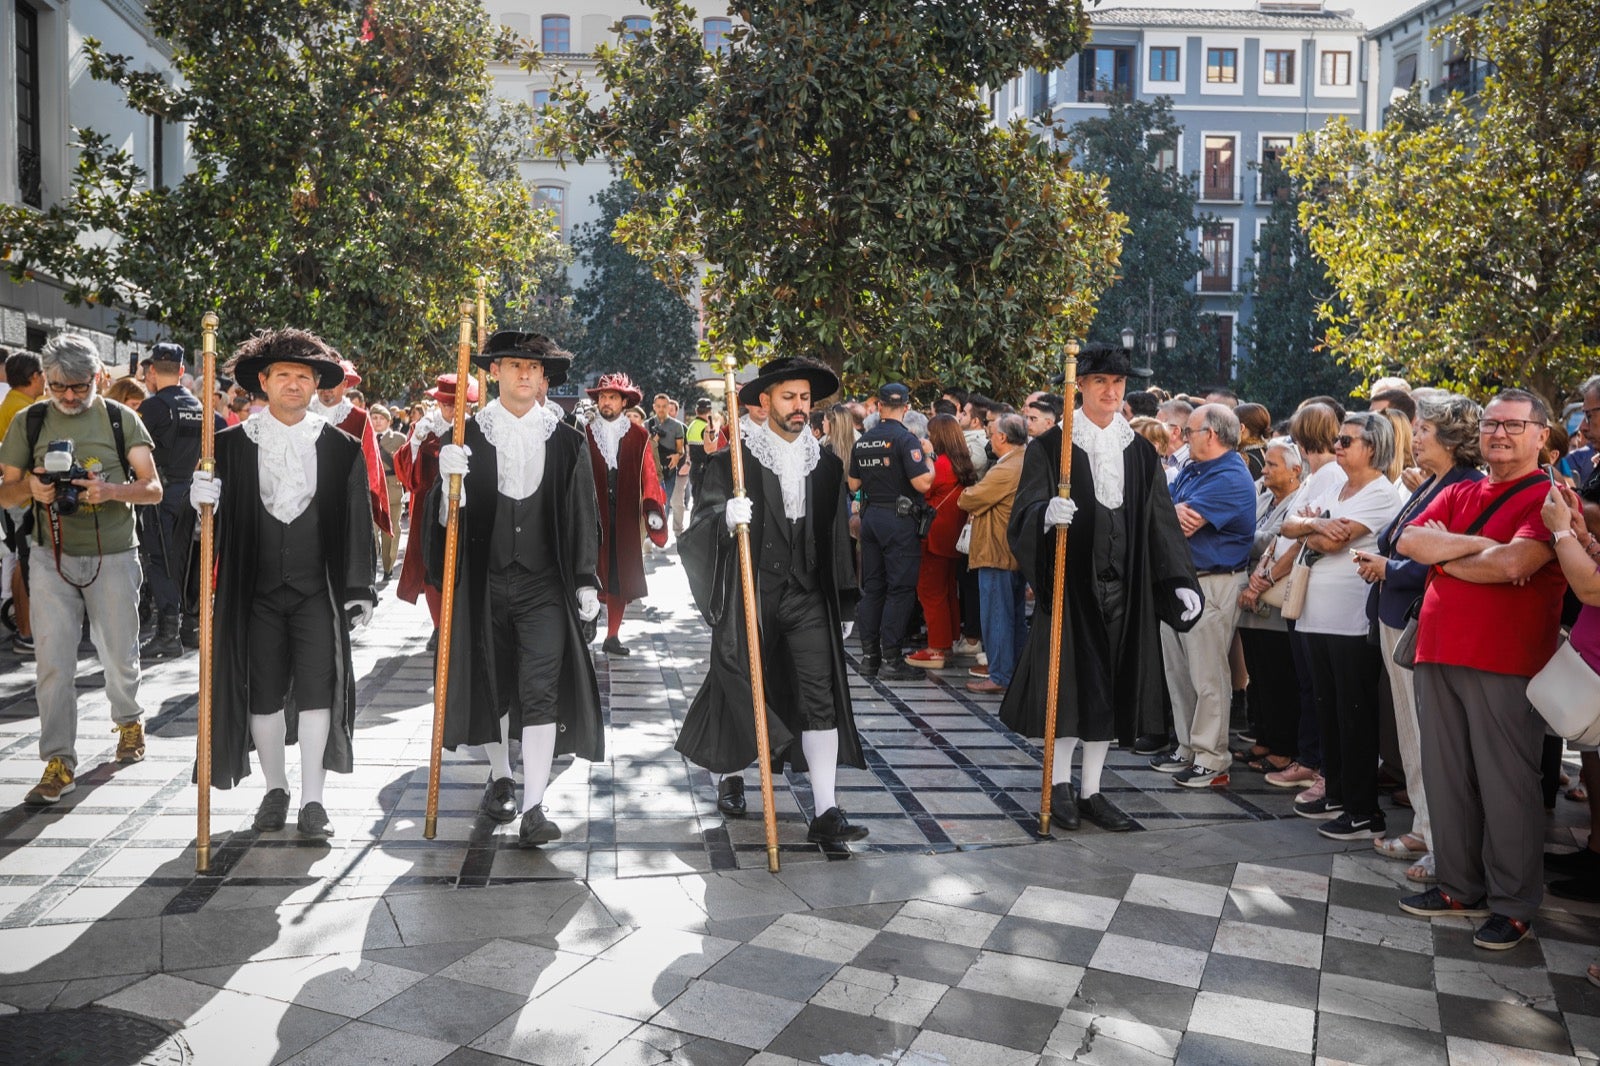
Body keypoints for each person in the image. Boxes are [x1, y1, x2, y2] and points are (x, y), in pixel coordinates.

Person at [1000, 343, 1200, 832]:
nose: (1111, 392)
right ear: (1081, 388)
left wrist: (1177, 579)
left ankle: (1092, 790)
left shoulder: (1139, 451)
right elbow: (1022, 513)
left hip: (1125, 589)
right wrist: (1044, 516)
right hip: (1071, 588)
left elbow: (1159, 522)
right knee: (1069, 689)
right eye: (1100, 383)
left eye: (1118, 384)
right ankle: (1060, 786)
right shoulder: (1052, 448)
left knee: (1108, 688)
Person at [187, 330, 377, 837]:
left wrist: (360, 588)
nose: (294, 384)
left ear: (317, 384)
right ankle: (276, 788)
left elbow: (358, 519)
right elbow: (213, 528)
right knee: (262, 694)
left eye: (304, 376)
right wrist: (203, 504)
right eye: (284, 376)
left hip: (319, 589)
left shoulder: (341, 446)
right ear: (264, 383)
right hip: (256, 591)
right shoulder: (226, 446)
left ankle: (313, 801)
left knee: (319, 691)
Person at [1395, 389, 1565, 951]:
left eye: (1515, 425)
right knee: (1446, 779)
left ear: (1542, 434)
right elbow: (1409, 539)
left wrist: (1448, 557)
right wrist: (1480, 550)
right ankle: (1459, 888)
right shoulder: (1465, 488)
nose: (1500, 434)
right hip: (1438, 650)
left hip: (1506, 659)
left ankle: (1513, 905)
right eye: (1493, 424)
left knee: (1507, 785)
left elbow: (1518, 563)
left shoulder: (1550, 495)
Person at [674, 355, 869, 845]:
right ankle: (732, 775)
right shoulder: (730, 462)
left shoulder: (826, 465)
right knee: (740, 683)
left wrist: (844, 602)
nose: (800, 407)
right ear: (765, 402)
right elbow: (697, 530)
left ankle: (826, 811)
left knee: (820, 696)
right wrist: (722, 518)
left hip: (807, 597)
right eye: (789, 397)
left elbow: (837, 538)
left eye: (805, 398)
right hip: (751, 593)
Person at [427, 332, 603, 847]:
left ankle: (534, 806)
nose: (525, 374)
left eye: (534, 368)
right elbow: (442, 526)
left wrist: (587, 578)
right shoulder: (464, 438)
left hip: (545, 585)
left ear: (545, 378)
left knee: (540, 689)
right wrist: (447, 488)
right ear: (494, 374)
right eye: (513, 365)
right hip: (484, 581)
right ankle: (501, 776)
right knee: (494, 683)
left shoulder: (569, 440)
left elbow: (582, 516)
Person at [0, 333, 163, 805]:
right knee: (53, 662)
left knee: (117, 652)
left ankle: (129, 719)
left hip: (113, 554)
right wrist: (31, 487)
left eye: (79, 386)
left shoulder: (119, 418)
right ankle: (58, 760)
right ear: (44, 382)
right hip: (49, 556)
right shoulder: (29, 422)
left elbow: (152, 488)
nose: (69, 396)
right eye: (58, 387)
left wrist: (112, 492)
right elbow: (5, 492)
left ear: (98, 378)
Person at [1353, 393, 1482, 883]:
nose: (1416, 437)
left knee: (1430, 736)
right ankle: (1426, 827)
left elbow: (1445, 558)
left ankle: (1438, 837)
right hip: (1398, 614)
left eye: (1425, 430)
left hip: (1421, 620)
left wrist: (1392, 567)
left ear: (1450, 438)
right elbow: (1398, 537)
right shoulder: (1432, 482)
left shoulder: (1466, 486)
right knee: (1411, 731)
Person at [1278, 413, 1402, 837]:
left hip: (1350, 617)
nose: (1338, 446)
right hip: (1315, 611)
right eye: (1336, 438)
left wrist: (1311, 530)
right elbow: (1289, 524)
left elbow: (1336, 541)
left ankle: (1364, 808)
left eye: (1347, 440)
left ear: (1374, 447)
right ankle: (1336, 790)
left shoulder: (1381, 493)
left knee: (1354, 712)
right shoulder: (1331, 481)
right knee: (1325, 706)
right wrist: (1314, 523)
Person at [1153, 404, 1258, 789]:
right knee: (1179, 671)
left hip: (1212, 583)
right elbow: (1161, 511)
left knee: (1207, 672)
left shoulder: (1230, 476)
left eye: (1189, 430)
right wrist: (1166, 511)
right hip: (1181, 581)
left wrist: (1165, 513)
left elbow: (1173, 525)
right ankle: (1187, 746)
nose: (1181, 436)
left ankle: (1212, 757)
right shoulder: (1196, 469)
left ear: (1210, 435)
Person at [134, 342, 221, 659]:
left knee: (163, 563)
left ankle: (168, 634)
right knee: (192, 562)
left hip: (162, 495)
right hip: (195, 495)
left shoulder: (153, 407)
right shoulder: (202, 408)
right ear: (182, 371)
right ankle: (192, 627)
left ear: (153, 371)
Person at [848, 382, 934, 680]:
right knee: (899, 590)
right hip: (899, 521)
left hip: (871, 519)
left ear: (879, 406)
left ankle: (870, 658)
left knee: (873, 589)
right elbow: (923, 483)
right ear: (907, 408)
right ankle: (891, 659)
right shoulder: (906, 440)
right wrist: (930, 459)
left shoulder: (864, 441)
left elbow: (854, 485)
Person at [1236, 437, 1307, 772]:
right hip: (1251, 597)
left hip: (1275, 598)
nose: (1264, 470)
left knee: (1279, 675)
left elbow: (1278, 540)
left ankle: (1282, 747)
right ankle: (1263, 739)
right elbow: (1261, 535)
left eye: (1272, 465)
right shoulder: (1265, 496)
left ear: (1295, 470)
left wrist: (1238, 537)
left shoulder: (1299, 500)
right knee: (1258, 673)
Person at [584, 372, 668, 655]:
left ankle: (613, 636)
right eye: (602, 397)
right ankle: (587, 625)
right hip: (592, 516)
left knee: (619, 575)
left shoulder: (639, 435)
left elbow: (649, 474)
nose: (606, 402)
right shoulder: (584, 432)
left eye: (612, 397)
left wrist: (653, 508)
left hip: (624, 517)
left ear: (623, 402)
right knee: (590, 571)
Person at [395, 374, 477, 630]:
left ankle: (458, 623)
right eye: (445, 404)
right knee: (432, 564)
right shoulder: (424, 429)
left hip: (465, 508)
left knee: (463, 562)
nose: (451, 409)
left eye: (456, 404)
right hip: (428, 511)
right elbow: (407, 471)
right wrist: (416, 443)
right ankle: (438, 625)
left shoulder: (474, 429)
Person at [958, 413, 1027, 696]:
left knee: (997, 616)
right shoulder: (1022, 460)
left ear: (1001, 437)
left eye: (991, 433)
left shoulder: (1007, 467)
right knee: (1012, 616)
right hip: (1010, 550)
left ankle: (1000, 674)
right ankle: (1012, 672)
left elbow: (969, 498)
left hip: (997, 550)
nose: (989, 439)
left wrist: (974, 500)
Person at [906, 414, 977, 670]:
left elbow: (923, 486)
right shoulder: (961, 463)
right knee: (947, 590)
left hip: (933, 536)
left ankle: (936, 648)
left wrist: (925, 456)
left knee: (930, 591)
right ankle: (947, 642)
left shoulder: (942, 464)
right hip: (952, 536)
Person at [308, 358, 392, 550]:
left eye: (333, 383)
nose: (327, 389)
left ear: (344, 385)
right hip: (307, 501)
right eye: (323, 382)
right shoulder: (303, 411)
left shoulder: (359, 418)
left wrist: (364, 504)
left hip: (346, 503)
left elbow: (370, 462)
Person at [0, 351, 43, 656]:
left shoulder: (17, 404)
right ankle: (27, 633)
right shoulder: (22, 409)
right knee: (26, 562)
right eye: (43, 374)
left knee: (21, 560)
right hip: (24, 497)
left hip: (22, 496)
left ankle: (24, 630)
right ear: (33, 377)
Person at [370, 405, 407, 580]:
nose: (377, 422)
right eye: (374, 418)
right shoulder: (365, 437)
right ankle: (370, 563)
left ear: (388, 421)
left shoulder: (399, 439)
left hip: (392, 489)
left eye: (381, 418)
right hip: (371, 489)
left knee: (391, 530)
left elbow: (406, 463)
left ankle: (388, 566)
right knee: (370, 529)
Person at [647, 393, 687, 535]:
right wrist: (654, 439)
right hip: (651, 472)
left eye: (664, 406)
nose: (661, 409)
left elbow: (680, 449)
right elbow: (644, 449)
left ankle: (661, 533)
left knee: (666, 501)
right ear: (654, 407)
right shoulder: (648, 424)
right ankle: (651, 534)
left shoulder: (677, 426)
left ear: (669, 406)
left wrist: (678, 456)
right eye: (658, 406)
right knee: (651, 503)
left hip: (669, 471)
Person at [685, 397, 714, 511]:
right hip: (704, 469)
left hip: (694, 468)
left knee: (696, 502)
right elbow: (712, 448)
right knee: (702, 505)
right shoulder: (707, 427)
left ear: (696, 411)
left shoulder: (691, 425)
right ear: (710, 411)